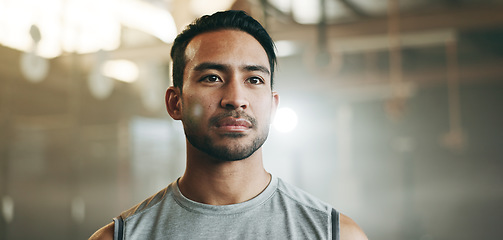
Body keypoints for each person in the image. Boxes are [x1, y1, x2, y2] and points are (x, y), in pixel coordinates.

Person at [90, 10, 367, 240]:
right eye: (212, 77)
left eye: (254, 80)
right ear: (176, 103)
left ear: (272, 106)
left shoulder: (336, 234)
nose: (236, 99)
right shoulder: (119, 237)